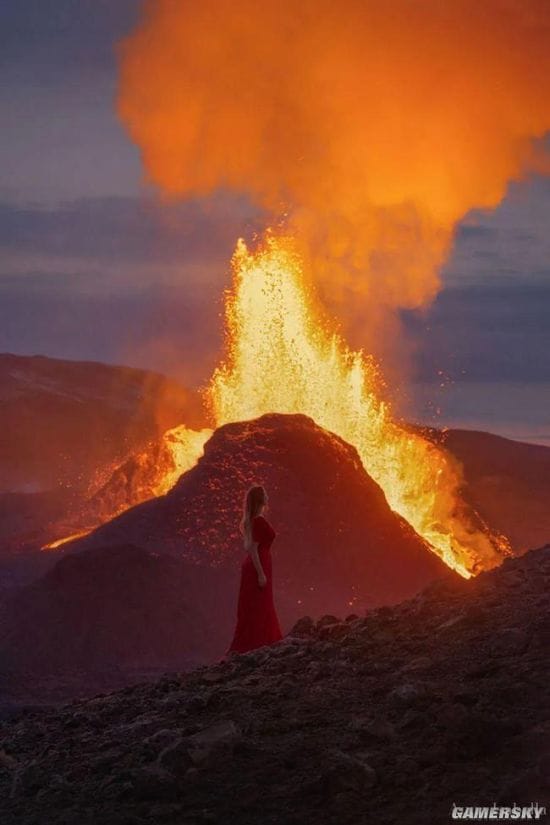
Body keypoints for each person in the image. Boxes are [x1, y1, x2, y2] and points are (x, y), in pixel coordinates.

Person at [226, 484, 283, 655]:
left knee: (258, 604)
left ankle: (259, 641)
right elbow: (252, 548)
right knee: (259, 604)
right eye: (265, 495)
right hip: (257, 564)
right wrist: (260, 573)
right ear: (260, 499)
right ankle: (259, 642)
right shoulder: (257, 521)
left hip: (257, 563)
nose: (268, 497)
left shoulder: (252, 520)